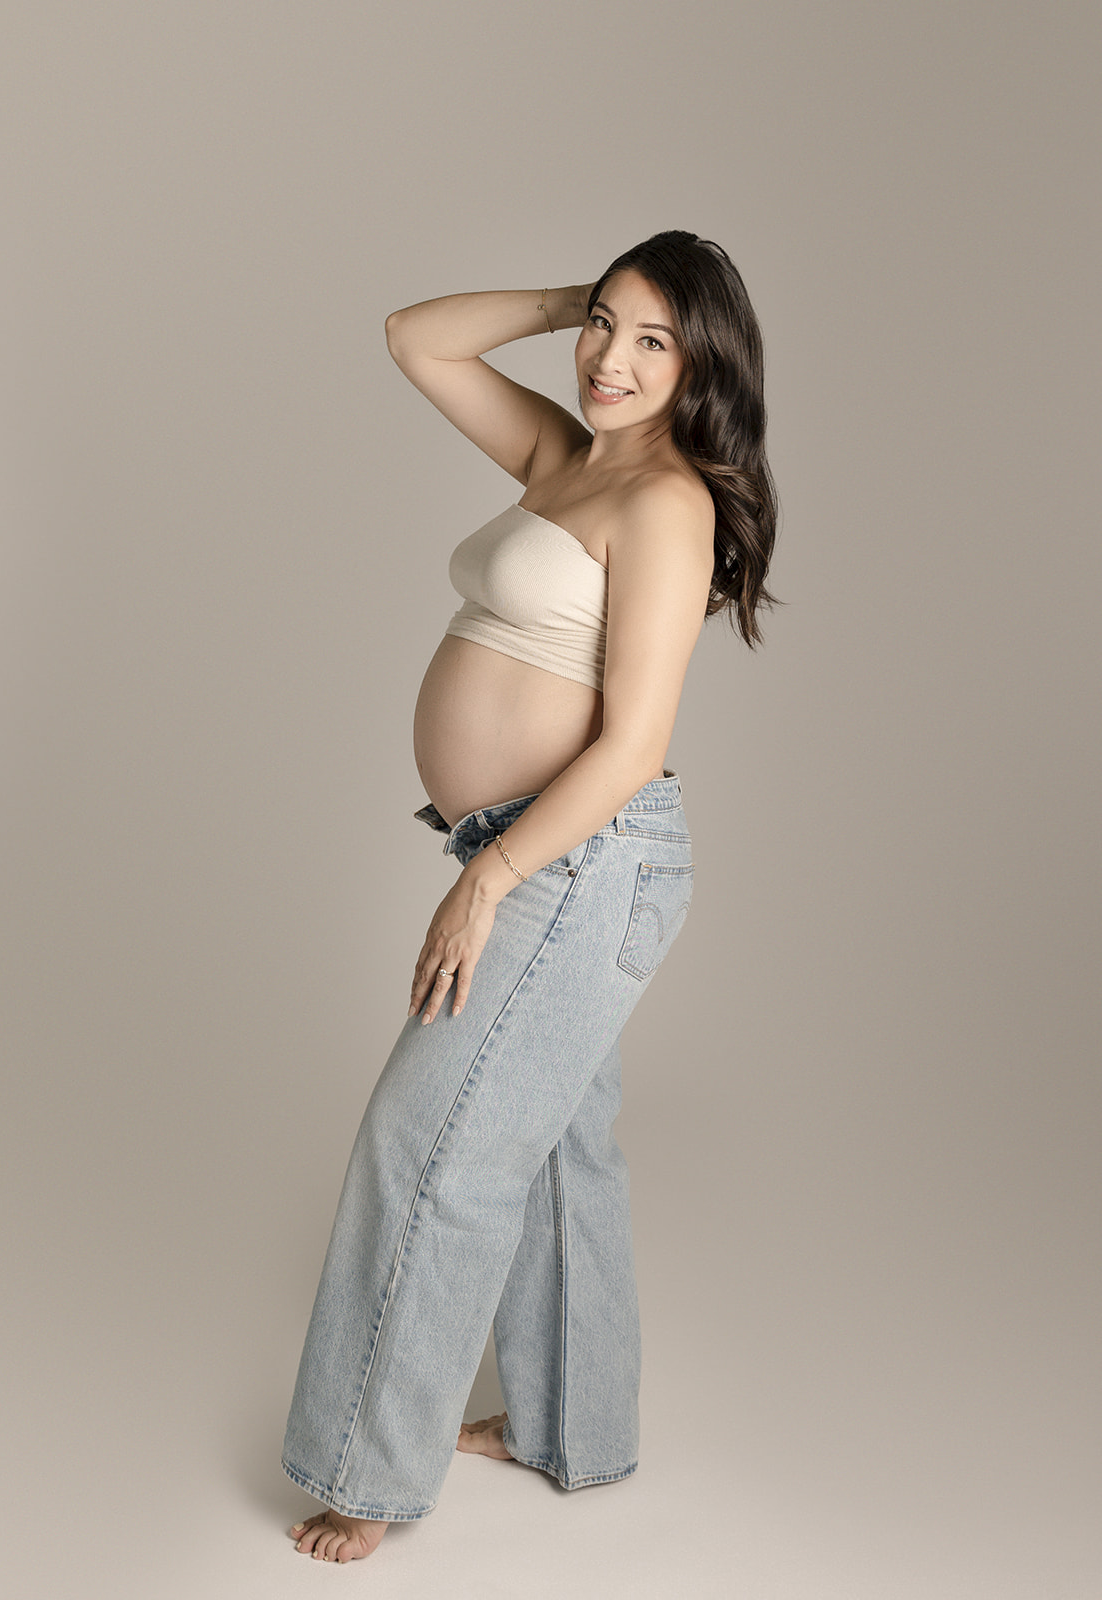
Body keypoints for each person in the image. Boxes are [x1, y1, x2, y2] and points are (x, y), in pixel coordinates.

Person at [283, 230, 777, 1563]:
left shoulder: (666, 501)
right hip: (533, 849)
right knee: (559, 1140)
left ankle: (363, 1478)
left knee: (428, 1150)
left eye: (654, 341)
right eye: (602, 326)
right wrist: (578, 295)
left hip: (574, 859)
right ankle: (573, 1424)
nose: (611, 359)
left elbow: (627, 743)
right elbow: (416, 335)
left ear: (702, 365)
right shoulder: (573, 459)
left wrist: (491, 876)